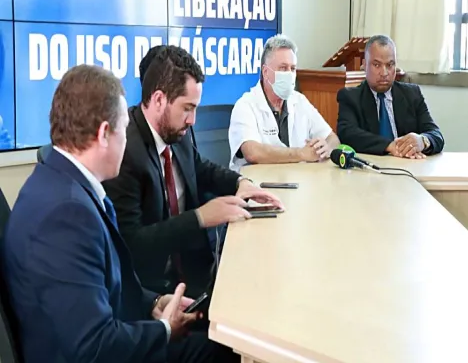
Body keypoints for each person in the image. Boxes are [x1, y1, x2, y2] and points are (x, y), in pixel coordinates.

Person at [1, 64, 235, 362]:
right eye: (124, 128)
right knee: (222, 350)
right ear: (103, 134)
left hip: (113, 330)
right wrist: (164, 330)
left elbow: (106, 285)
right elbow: (93, 346)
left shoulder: (63, 181)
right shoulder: (66, 214)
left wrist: (154, 303)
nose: (128, 138)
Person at [102, 45, 282, 301]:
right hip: (153, 290)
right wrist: (200, 217)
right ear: (159, 100)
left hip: (194, 271)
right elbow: (132, 244)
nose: (193, 120)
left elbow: (200, 167)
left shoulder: (177, 130)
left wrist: (240, 182)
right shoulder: (125, 152)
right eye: (187, 108)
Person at [228, 34, 340, 172]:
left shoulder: (299, 101)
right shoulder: (245, 105)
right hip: (257, 182)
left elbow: (333, 138)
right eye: (283, 68)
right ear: (265, 72)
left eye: (292, 69)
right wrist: (301, 154)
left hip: (297, 180)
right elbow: (252, 152)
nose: (289, 74)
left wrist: (327, 148)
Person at [336, 35, 444, 158]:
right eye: (377, 65)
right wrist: (389, 146)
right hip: (372, 166)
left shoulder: (412, 94)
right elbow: (347, 134)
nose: (384, 73)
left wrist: (422, 141)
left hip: (408, 165)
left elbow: (436, 134)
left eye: (390, 65)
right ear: (364, 65)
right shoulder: (350, 97)